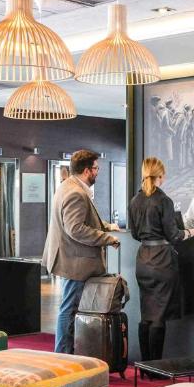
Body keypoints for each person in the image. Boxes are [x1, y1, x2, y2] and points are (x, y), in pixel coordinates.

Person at [43, 149, 120, 354]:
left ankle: (65, 354)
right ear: (87, 170)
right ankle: (64, 356)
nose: (98, 172)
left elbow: (82, 220)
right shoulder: (76, 192)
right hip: (76, 261)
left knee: (69, 308)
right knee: (69, 309)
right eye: (96, 168)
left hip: (72, 259)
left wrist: (105, 225)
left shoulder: (69, 186)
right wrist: (107, 238)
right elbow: (75, 228)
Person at [129, 158, 194, 364]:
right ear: (160, 176)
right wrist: (193, 231)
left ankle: (145, 366)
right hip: (162, 261)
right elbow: (174, 236)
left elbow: (135, 234)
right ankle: (156, 366)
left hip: (143, 260)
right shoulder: (164, 201)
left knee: (146, 314)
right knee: (159, 315)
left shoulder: (135, 201)